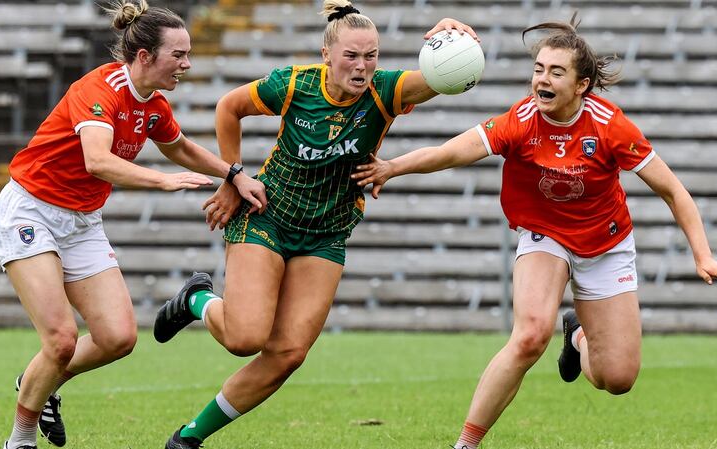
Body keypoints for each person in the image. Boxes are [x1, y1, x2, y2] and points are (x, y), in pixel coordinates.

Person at [351, 13, 717, 449]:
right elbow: (452, 152)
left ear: (581, 85)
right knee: (530, 334)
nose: (542, 80)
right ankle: (465, 444)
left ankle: (577, 335)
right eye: (538, 70)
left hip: (606, 245)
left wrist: (702, 254)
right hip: (543, 235)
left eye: (556, 72)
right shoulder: (521, 120)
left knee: (617, 379)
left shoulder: (611, 127)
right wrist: (391, 167)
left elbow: (674, 192)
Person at [151, 1, 479, 447]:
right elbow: (229, 107)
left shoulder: (387, 91)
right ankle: (197, 300)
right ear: (327, 54)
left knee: (287, 354)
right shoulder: (293, 84)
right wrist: (232, 176)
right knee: (246, 338)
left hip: (327, 232)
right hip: (269, 215)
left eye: (371, 56)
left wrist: (451, 36)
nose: (362, 67)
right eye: (351, 56)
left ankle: (188, 438)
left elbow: (447, 76)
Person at [0, 1, 266, 448]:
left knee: (118, 337)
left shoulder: (153, 104)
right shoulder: (101, 88)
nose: (187, 64)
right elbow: (97, 160)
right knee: (61, 340)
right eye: (178, 55)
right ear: (144, 56)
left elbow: (179, 147)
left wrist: (233, 175)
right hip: (31, 211)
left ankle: (37, 379)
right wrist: (161, 181)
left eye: (188, 53)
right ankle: (20, 440)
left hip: (81, 221)